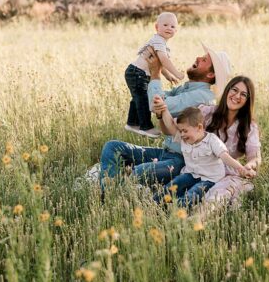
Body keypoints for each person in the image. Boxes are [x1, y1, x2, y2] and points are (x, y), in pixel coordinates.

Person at [96, 43, 232, 201]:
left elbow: (156, 103)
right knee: (112, 147)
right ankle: (110, 195)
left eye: (204, 60)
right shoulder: (186, 89)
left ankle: (115, 195)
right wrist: (146, 71)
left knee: (138, 172)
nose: (198, 58)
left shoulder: (202, 96)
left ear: (209, 75)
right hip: (164, 153)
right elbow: (153, 98)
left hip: (180, 161)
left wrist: (156, 73)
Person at [153, 75, 262, 212]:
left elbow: (255, 157)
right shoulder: (206, 112)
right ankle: (155, 206)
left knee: (207, 199)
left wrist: (247, 166)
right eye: (234, 90)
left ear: (247, 100)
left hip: (224, 174)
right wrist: (162, 111)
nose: (237, 96)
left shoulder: (249, 126)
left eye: (243, 94)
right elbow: (173, 129)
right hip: (196, 169)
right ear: (227, 90)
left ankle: (190, 218)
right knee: (172, 191)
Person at [154, 107, 252, 207]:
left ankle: (178, 209)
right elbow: (170, 126)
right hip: (191, 174)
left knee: (192, 194)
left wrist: (241, 168)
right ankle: (154, 203)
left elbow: (225, 157)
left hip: (209, 179)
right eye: (180, 131)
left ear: (199, 128)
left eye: (185, 131)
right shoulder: (184, 138)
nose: (182, 134)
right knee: (173, 184)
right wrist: (163, 109)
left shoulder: (212, 141)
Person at [123, 12, 186, 137]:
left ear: (176, 31)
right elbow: (163, 60)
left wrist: (168, 76)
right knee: (143, 99)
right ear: (156, 27)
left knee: (137, 98)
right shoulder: (158, 40)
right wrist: (177, 73)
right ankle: (145, 127)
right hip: (137, 73)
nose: (169, 28)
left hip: (137, 73)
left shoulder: (161, 43)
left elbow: (158, 64)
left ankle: (132, 123)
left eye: (172, 26)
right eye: (165, 25)